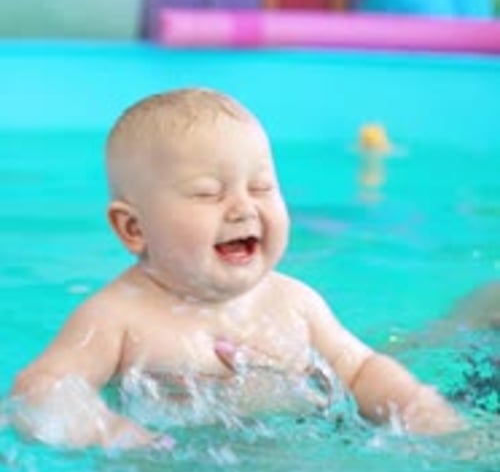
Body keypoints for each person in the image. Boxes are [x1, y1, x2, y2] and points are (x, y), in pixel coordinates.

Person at [10, 88, 463, 449]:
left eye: (262, 187)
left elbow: (361, 369)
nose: (244, 207)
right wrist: (105, 430)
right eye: (208, 193)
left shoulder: (295, 303)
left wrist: (414, 404)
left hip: (287, 470)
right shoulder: (117, 318)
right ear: (133, 228)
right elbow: (40, 388)